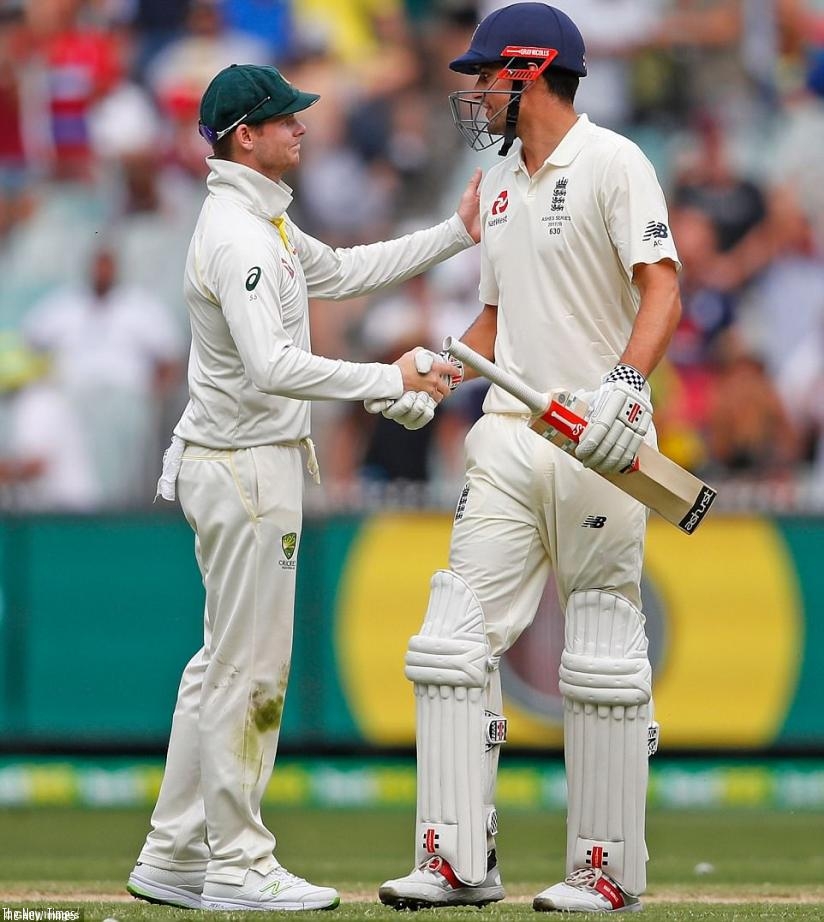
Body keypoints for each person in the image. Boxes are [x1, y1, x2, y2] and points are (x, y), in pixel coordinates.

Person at [125, 63, 481, 912]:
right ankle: (239, 866)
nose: (302, 127)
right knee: (249, 672)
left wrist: (456, 232)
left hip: (246, 462)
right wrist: (388, 381)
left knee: (220, 666)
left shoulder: (265, 222)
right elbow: (273, 366)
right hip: (246, 467)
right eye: (286, 118)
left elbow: (347, 271)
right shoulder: (239, 236)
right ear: (245, 136)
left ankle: (173, 853)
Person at [379, 3, 681, 914]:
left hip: (597, 435)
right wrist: (438, 374)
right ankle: (456, 860)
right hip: (509, 434)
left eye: (486, 75)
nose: (475, 92)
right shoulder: (499, 182)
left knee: (601, 651)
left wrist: (626, 383)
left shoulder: (615, 161)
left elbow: (662, 288)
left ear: (531, 70)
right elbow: (496, 320)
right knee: (451, 641)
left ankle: (605, 871)